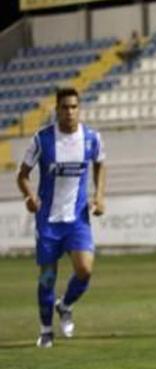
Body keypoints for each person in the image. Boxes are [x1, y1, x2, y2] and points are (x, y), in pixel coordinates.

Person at [15, 87, 106, 348]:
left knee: (85, 270)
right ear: (57, 110)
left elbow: (100, 164)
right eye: (65, 107)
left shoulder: (91, 139)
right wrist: (29, 197)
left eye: (74, 107)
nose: (69, 112)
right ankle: (46, 331)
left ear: (79, 109)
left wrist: (99, 196)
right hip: (48, 221)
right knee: (47, 277)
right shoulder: (42, 139)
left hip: (77, 219)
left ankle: (64, 305)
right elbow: (22, 175)